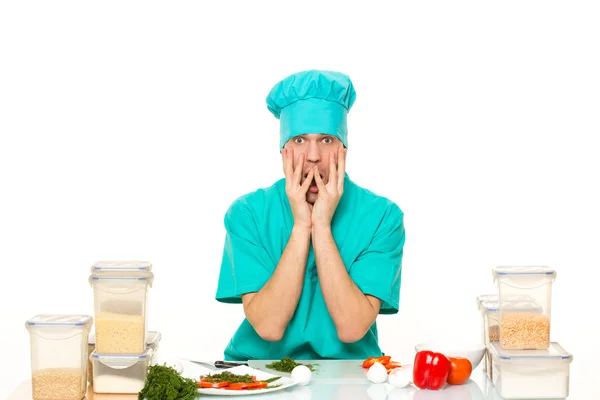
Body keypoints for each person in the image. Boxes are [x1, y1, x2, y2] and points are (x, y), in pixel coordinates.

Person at [215, 69, 406, 361]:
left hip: (351, 373)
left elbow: (352, 328)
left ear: (344, 148)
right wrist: (302, 225)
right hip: (258, 369)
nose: (314, 155)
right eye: (300, 140)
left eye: (327, 140)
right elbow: (269, 326)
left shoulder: (382, 216)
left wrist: (322, 226)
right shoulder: (248, 213)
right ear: (284, 150)